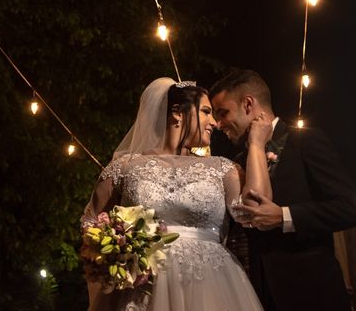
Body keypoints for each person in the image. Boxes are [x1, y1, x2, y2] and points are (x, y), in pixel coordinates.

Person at [82, 77, 271, 310]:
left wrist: (256, 146)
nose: (213, 122)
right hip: (142, 287)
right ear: (177, 113)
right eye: (205, 111)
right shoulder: (125, 168)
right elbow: (90, 222)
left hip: (210, 285)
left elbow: (256, 209)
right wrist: (116, 250)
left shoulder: (222, 169)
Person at [209, 69, 356, 311]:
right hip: (260, 294)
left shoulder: (305, 141)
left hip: (314, 293)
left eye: (223, 113)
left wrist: (284, 216)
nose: (218, 125)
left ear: (248, 104)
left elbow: (351, 209)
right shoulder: (242, 159)